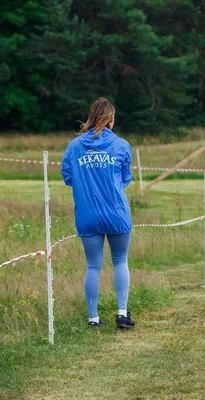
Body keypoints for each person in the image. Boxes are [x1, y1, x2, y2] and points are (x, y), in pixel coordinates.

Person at [61, 97, 135, 329]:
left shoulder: (74, 147)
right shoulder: (122, 145)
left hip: (88, 213)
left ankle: (93, 318)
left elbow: (68, 177)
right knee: (120, 260)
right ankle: (122, 313)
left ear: (91, 117)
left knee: (93, 266)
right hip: (117, 212)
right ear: (111, 118)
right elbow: (125, 178)